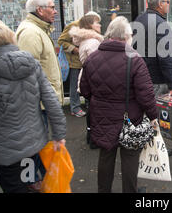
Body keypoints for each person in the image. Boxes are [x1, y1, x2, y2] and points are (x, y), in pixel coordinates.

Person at [0, 20, 66, 193]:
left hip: (7, 156)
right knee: (29, 184)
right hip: (33, 147)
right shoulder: (32, 65)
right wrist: (59, 135)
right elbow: (51, 100)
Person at [79, 16, 158, 193]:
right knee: (130, 156)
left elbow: (84, 90)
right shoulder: (135, 59)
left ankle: (103, 190)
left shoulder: (92, 58)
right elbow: (146, 94)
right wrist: (154, 116)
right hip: (129, 117)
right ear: (126, 36)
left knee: (106, 154)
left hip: (101, 116)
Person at [16, 0, 63, 107]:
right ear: (40, 10)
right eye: (52, 7)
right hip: (39, 104)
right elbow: (27, 73)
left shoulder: (38, 30)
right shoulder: (30, 33)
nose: (55, 11)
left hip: (44, 101)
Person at [69, 13, 104, 148]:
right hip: (94, 80)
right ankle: (95, 139)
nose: (100, 25)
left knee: (91, 108)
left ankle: (91, 136)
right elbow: (98, 64)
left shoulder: (86, 41)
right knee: (96, 110)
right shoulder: (93, 42)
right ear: (90, 26)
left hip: (87, 78)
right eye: (97, 22)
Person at [133, 0, 172, 97]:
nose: (168, 4)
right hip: (157, 80)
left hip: (140, 76)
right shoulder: (161, 24)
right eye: (167, 2)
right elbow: (165, 57)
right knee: (157, 111)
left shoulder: (139, 20)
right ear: (160, 4)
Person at [58, 11, 101, 118]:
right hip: (74, 61)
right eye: (96, 22)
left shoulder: (91, 33)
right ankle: (75, 107)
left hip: (83, 59)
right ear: (89, 22)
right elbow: (61, 41)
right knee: (75, 85)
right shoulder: (73, 26)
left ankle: (86, 103)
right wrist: (74, 49)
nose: (99, 24)